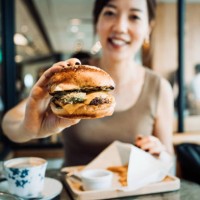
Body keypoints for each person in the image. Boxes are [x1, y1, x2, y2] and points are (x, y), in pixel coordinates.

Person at [2, 0, 174, 168]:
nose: (120, 27)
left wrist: (160, 154)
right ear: (97, 21)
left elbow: (169, 157)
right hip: (74, 192)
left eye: (134, 16)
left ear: (148, 28)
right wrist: (30, 128)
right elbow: (9, 124)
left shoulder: (159, 87)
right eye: (110, 13)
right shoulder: (71, 76)